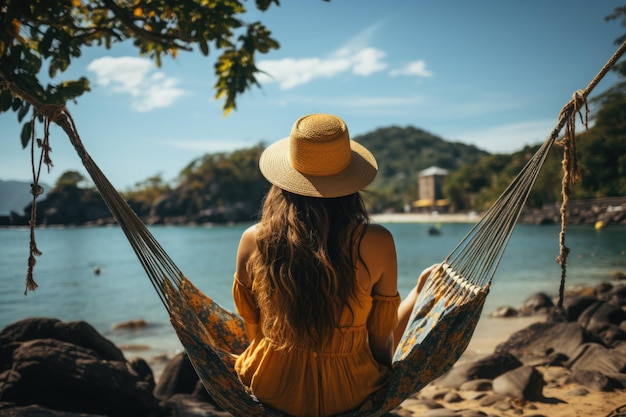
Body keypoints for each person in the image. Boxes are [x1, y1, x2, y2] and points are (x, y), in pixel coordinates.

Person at [232, 113, 436, 417]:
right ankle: (420, 291)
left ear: (283, 180)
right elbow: (381, 339)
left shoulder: (254, 239)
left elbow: (253, 327)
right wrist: (382, 385)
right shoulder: (378, 241)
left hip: (271, 388)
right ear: (351, 182)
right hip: (351, 395)